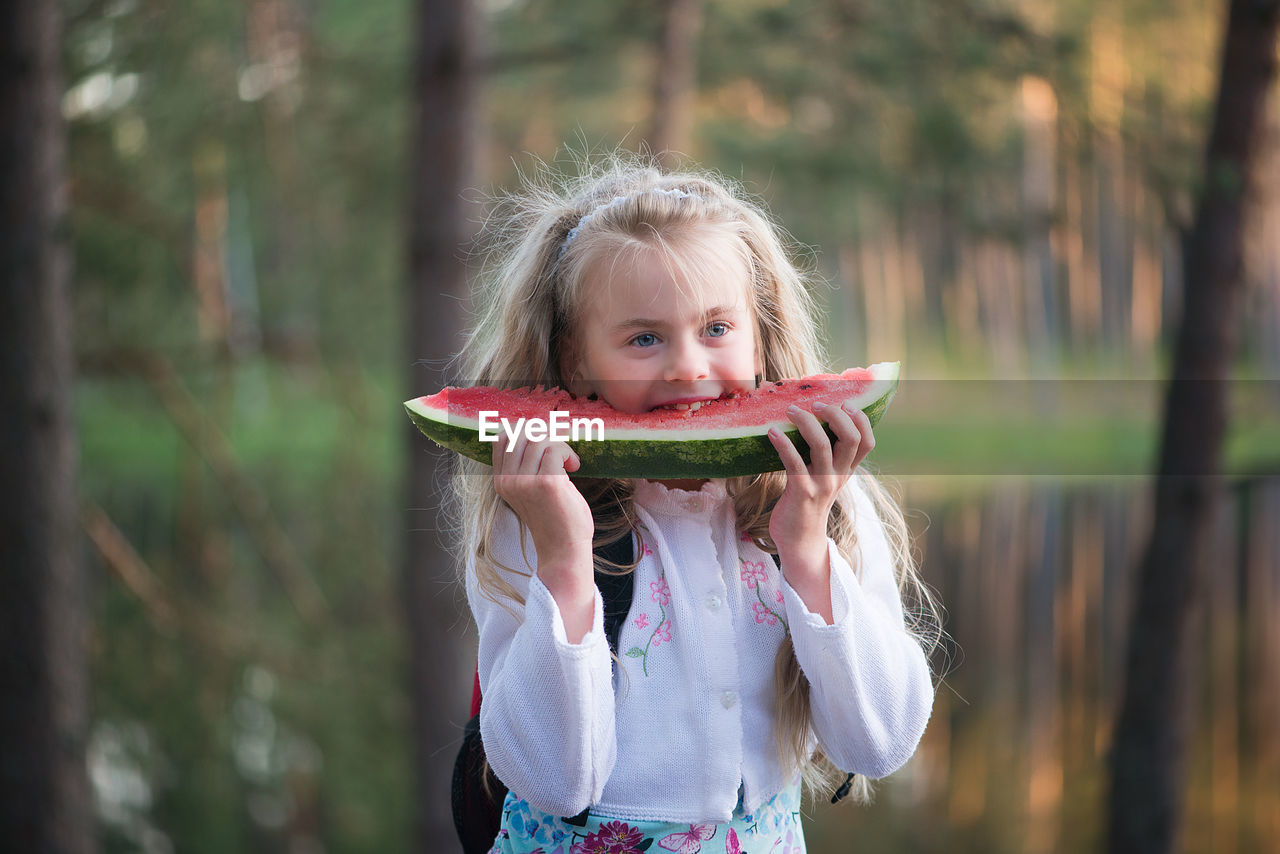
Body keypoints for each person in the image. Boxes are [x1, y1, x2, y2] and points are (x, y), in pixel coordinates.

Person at [450, 154, 941, 854]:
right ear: (571, 358)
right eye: (644, 338)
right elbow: (554, 783)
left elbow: (880, 743)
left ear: (762, 335)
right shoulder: (534, 515)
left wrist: (806, 552)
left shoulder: (820, 500)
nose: (687, 365)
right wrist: (564, 561)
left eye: (716, 330)